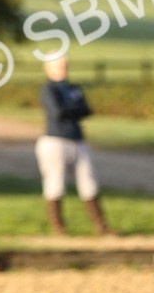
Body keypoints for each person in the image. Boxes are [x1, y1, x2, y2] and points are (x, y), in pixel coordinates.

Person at [35, 56, 112, 235]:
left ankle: (101, 225)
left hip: (77, 139)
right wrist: (74, 110)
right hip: (55, 140)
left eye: (65, 65)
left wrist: (71, 110)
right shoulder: (48, 89)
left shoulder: (72, 88)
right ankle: (58, 227)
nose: (63, 69)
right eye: (58, 66)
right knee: (55, 182)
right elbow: (57, 113)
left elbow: (86, 109)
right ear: (48, 68)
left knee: (89, 181)